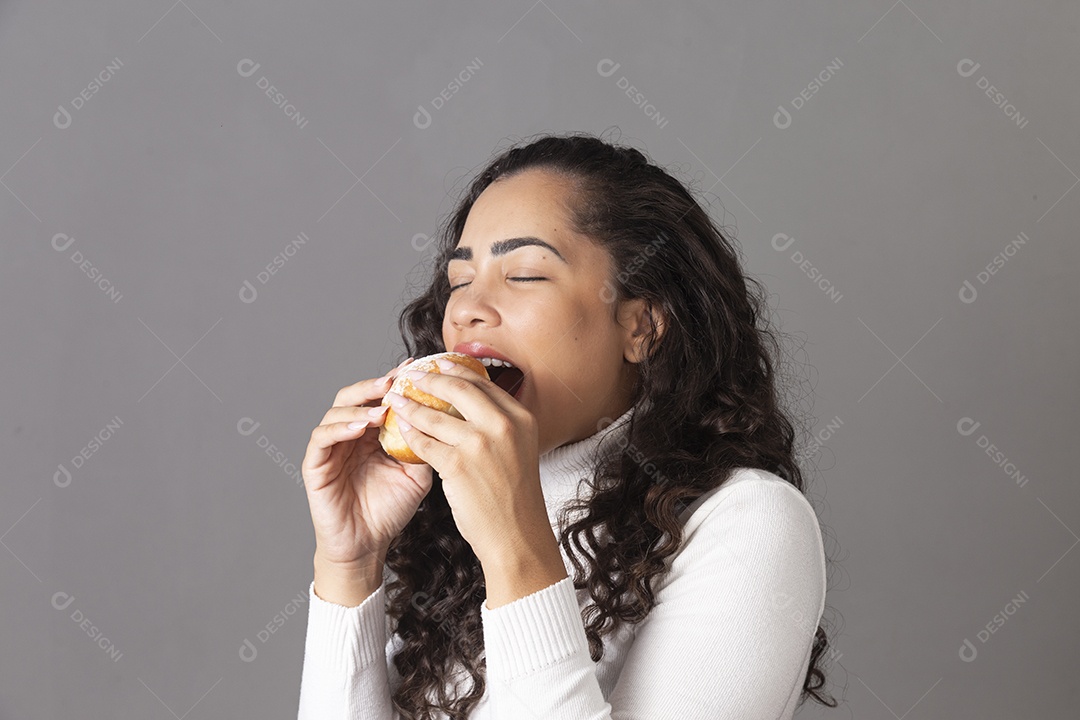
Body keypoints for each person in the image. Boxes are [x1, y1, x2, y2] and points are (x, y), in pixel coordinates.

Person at [296, 132, 838, 719]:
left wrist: (514, 547)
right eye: (458, 281)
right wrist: (350, 566)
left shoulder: (747, 519)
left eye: (525, 274)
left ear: (642, 326)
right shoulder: (450, 523)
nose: (467, 307)